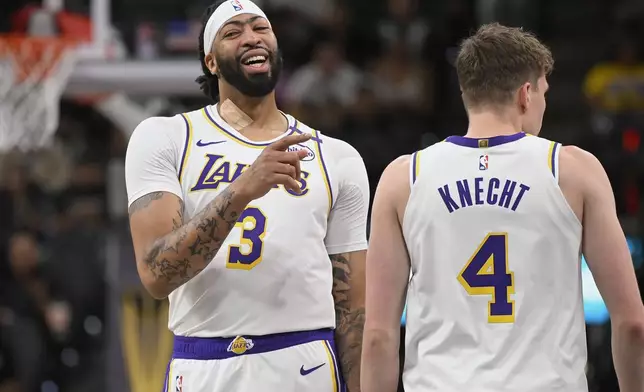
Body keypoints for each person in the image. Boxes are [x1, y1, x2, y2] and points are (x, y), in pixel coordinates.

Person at [361, 23, 644, 392]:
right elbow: (632, 324)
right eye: (544, 92)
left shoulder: (403, 178)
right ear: (526, 94)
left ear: (466, 92)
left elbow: (379, 336)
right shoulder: (574, 170)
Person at [124, 1, 369, 391]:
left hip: (303, 361)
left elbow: (353, 306)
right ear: (211, 62)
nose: (251, 37)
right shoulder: (165, 138)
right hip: (203, 363)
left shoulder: (336, 157)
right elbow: (156, 276)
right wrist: (242, 189)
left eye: (260, 28)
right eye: (232, 32)